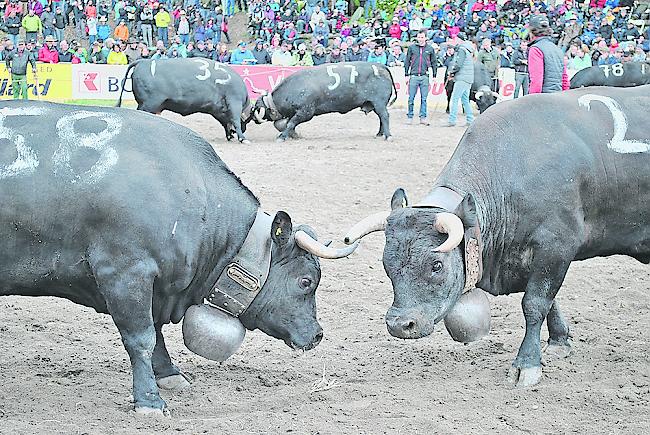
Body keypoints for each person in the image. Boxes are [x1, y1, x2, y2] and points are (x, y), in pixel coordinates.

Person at [527, 15, 569, 94]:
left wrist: (531, 101)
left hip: (544, 98)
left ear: (532, 32)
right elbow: (565, 80)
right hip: (559, 97)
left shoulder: (536, 49)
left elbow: (536, 81)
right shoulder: (557, 49)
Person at [404, 30, 436, 125]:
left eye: (422, 37)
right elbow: (407, 61)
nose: (420, 39)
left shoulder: (430, 49)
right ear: (417, 38)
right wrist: (406, 74)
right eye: (419, 37)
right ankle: (410, 116)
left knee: (424, 99)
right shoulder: (412, 48)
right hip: (413, 76)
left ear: (425, 38)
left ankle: (423, 117)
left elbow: (434, 62)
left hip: (424, 76)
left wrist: (434, 75)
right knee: (411, 98)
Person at [447, 36, 475, 127]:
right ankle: (470, 119)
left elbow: (458, 64)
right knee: (465, 100)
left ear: (459, 40)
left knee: (454, 99)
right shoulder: (467, 49)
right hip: (468, 78)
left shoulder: (462, 50)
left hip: (462, 78)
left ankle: (452, 120)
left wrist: (452, 73)